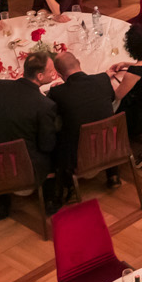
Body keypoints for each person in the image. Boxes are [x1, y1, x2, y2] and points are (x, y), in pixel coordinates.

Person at [0, 47, 60, 209]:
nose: (54, 73)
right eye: (51, 70)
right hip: (25, 166)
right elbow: (46, 146)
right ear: (40, 76)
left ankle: (2, 205)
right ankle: (49, 199)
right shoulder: (45, 105)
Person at [48, 48, 115, 194]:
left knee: (56, 133)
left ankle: (67, 186)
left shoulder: (57, 93)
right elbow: (111, 99)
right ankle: (113, 174)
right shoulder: (103, 79)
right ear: (79, 62)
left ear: (59, 75)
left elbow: (50, 114)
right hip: (111, 144)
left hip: (79, 154)